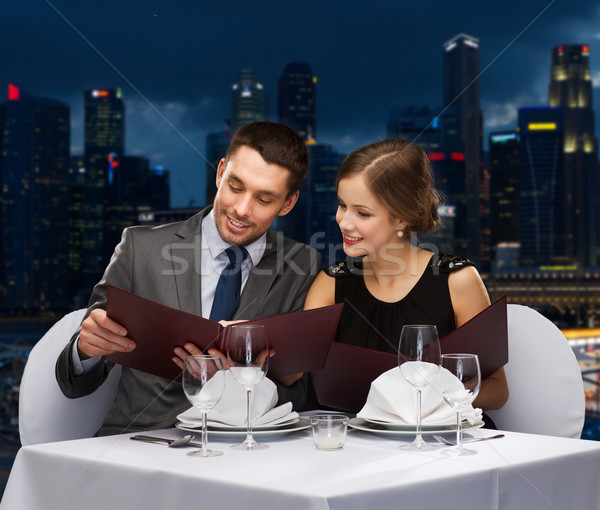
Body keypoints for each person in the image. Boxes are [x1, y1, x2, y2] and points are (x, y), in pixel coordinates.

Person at [56, 122, 321, 436]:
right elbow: (74, 383)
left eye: (264, 200)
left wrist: (242, 381)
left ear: (288, 203)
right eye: (235, 186)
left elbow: (303, 393)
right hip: (139, 443)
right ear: (220, 172)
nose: (241, 209)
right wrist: (85, 351)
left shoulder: (303, 264)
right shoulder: (140, 248)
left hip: (244, 451)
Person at [304, 138, 508, 413]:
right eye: (342, 205)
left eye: (362, 213)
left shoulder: (457, 280)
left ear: (401, 218)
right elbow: (300, 373)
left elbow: (497, 391)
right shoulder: (330, 283)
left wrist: (431, 397)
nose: (344, 221)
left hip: (440, 442)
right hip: (358, 444)